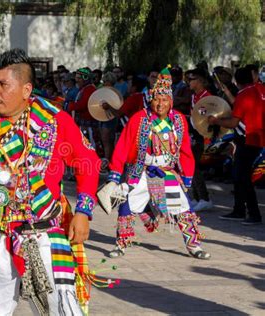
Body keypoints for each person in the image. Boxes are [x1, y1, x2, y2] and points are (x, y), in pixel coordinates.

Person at [0, 48, 101, 315]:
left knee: (61, 310)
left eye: (3, 85)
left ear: (26, 90)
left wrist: (83, 212)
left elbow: (88, 163)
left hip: (44, 235)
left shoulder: (55, 122)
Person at [106, 68, 210, 260]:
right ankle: (121, 243)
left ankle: (194, 245)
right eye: (156, 99)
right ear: (150, 99)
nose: (160, 104)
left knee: (183, 207)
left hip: (166, 171)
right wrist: (115, 176)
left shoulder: (178, 120)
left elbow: (185, 150)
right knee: (126, 204)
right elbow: (122, 146)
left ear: (170, 101)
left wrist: (186, 177)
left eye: (164, 100)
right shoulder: (139, 119)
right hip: (141, 171)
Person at [210, 68, 264, 225]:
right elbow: (242, 105)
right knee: (240, 175)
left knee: (242, 177)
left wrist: (216, 121)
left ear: (237, 81)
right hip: (258, 137)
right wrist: (227, 92)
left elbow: (233, 122)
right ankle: (239, 210)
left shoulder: (243, 95)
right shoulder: (260, 89)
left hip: (247, 139)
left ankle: (253, 214)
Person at [188, 68, 213, 211]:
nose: (189, 82)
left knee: (194, 167)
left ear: (200, 81)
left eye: (192, 79)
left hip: (201, 135)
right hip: (193, 134)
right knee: (190, 166)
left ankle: (205, 198)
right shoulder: (194, 96)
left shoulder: (206, 97)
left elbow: (205, 115)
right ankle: (197, 198)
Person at [68, 67, 97, 145]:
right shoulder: (84, 88)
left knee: (89, 142)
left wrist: (72, 106)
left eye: (79, 78)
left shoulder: (89, 89)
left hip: (88, 122)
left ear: (85, 78)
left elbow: (83, 104)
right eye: (76, 78)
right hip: (83, 121)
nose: (76, 80)